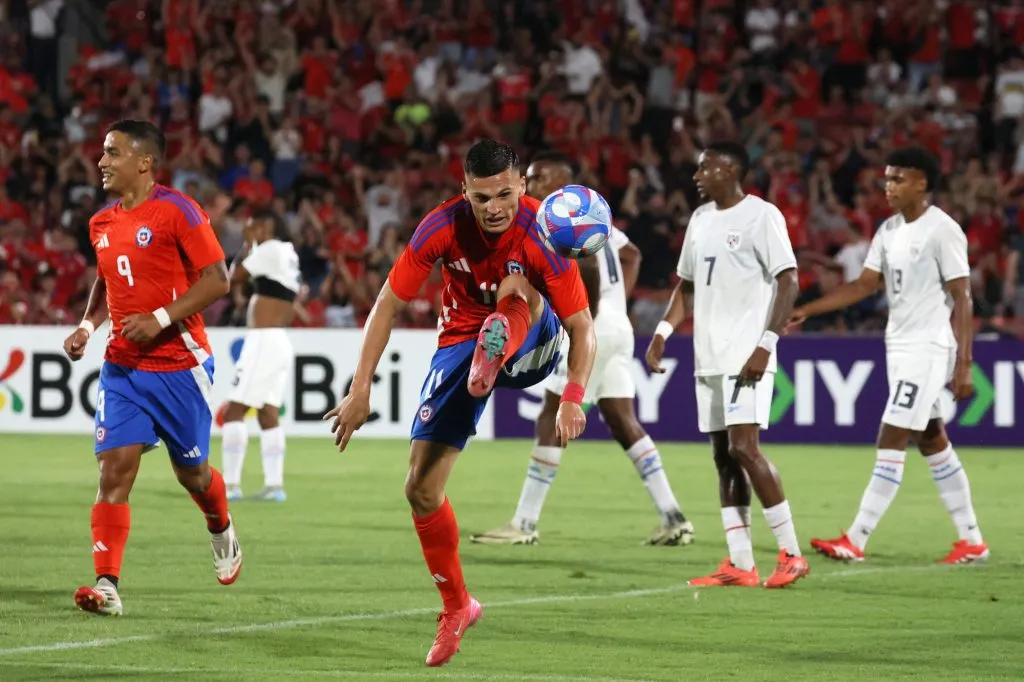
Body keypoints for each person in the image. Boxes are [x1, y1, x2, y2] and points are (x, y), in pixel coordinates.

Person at [324, 140, 596, 666]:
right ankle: (457, 606)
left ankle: (500, 336)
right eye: (481, 198)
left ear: (521, 184)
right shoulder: (441, 226)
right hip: (458, 344)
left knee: (516, 282)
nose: (494, 208)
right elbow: (388, 304)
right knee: (420, 489)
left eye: (503, 194)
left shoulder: (543, 232)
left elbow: (582, 328)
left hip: (534, 342)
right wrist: (360, 388)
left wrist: (572, 396)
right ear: (463, 192)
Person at [63, 120, 241, 617]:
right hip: (123, 366)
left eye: (112, 153)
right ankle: (108, 585)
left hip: (180, 366)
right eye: (103, 152)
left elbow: (218, 280)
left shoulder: (178, 211)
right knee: (113, 469)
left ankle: (220, 525)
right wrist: (86, 326)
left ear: (144, 162)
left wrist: (161, 317)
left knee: (194, 475)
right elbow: (106, 282)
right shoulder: (101, 223)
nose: (101, 162)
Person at [471, 151, 693, 546]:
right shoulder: (592, 214)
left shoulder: (549, 219)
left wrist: (585, 313)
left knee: (550, 416)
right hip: (616, 327)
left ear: (560, 179)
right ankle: (674, 516)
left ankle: (523, 523)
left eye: (538, 177)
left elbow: (586, 267)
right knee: (623, 421)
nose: (530, 183)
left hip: (589, 325)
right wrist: (615, 301)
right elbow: (630, 254)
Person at [790, 147, 989, 564]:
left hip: (928, 347)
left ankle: (856, 539)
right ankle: (972, 539)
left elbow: (963, 296)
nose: (889, 186)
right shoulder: (889, 230)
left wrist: (965, 364)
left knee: (891, 433)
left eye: (899, 178)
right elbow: (864, 285)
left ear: (922, 183)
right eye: (887, 178)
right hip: (898, 346)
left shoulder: (942, 230)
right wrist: (809, 308)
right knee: (932, 439)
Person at [646, 141, 810, 589]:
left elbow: (789, 279)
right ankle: (740, 562)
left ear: (731, 169)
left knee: (744, 447)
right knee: (723, 456)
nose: (697, 176)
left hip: (745, 353)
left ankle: (792, 554)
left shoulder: (762, 215)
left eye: (706, 168)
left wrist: (766, 343)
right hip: (708, 355)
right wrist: (662, 333)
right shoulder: (700, 220)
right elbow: (686, 286)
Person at [221, 208, 302, 502]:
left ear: (265, 226)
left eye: (253, 225)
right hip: (278, 340)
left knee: (234, 411)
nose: (249, 229)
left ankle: (230, 486)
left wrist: (246, 246)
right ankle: (274, 485)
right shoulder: (287, 253)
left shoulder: (268, 250)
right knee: (268, 413)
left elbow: (232, 277)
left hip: (263, 340)